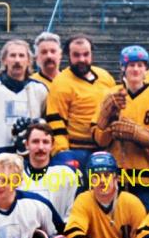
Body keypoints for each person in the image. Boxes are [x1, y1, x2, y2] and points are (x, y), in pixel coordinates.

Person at [94, 45, 149, 209]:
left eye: (140, 65)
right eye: (131, 65)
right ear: (123, 68)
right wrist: (106, 120)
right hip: (118, 177)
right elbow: (100, 141)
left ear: (146, 69)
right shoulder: (112, 95)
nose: (135, 69)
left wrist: (140, 135)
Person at [63, 152, 147, 238]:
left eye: (107, 175)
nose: (102, 181)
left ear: (116, 177)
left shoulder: (132, 202)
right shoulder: (83, 199)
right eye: (96, 176)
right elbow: (73, 232)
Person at [45, 34, 117, 168]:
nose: (82, 59)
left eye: (86, 54)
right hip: (76, 150)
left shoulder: (105, 77)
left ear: (92, 54)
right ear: (68, 56)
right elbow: (56, 122)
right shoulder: (61, 83)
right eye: (76, 55)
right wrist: (62, 153)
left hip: (106, 147)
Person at [0, 39, 48, 171]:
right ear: (4, 60)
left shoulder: (39, 90)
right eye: (12, 55)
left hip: (28, 160)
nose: (17, 60)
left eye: (21, 56)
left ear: (29, 61)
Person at [18, 122, 78, 220]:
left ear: (52, 145)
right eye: (35, 141)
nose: (41, 147)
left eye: (45, 142)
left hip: (57, 233)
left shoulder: (67, 175)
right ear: (26, 144)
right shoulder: (16, 175)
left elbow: (71, 214)